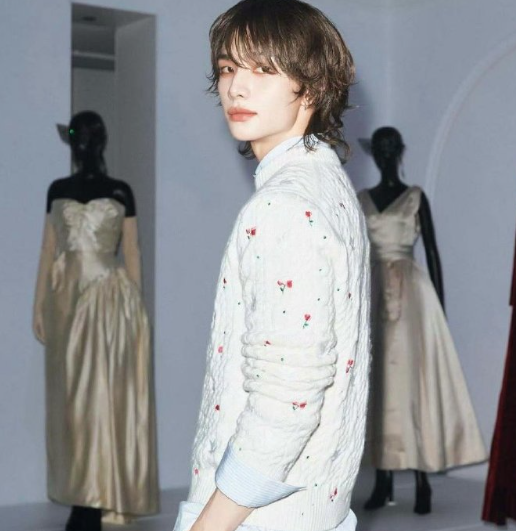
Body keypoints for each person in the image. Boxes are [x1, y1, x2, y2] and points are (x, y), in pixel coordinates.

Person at [172, 1, 370, 531]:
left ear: (313, 86)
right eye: (227, 68)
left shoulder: (283, 207)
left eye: (263, 69)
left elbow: (287, 401)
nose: (236, 87)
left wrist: (207, 526)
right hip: (314, 504)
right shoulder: (329, 185)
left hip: (262, 517)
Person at [33, 111, 159, 531]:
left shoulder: (120, 191)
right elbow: (48, 250)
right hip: (64, 303)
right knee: (69, 401)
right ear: (71, 142)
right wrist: (37, 306)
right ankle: (79, 490)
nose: (83, 143)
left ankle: (94, 500)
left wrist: (138, 310)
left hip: (108, 303)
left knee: (102, 399)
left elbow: (132, 252)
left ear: (101, 140)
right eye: (78, 136)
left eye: (89, 136)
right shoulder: (57, 190)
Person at [358, 127, 487, 515]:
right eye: (379, 149)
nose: (385, 155)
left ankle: (421, 479)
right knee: (377, 383)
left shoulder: (415, 197)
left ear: (398, 152)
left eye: (390, 148)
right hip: (373, 291)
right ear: (374, 153)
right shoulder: (362, 200)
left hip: (412, 297)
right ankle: (382, 478)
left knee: (413, 382)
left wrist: (439, 313)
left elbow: (431, 251)